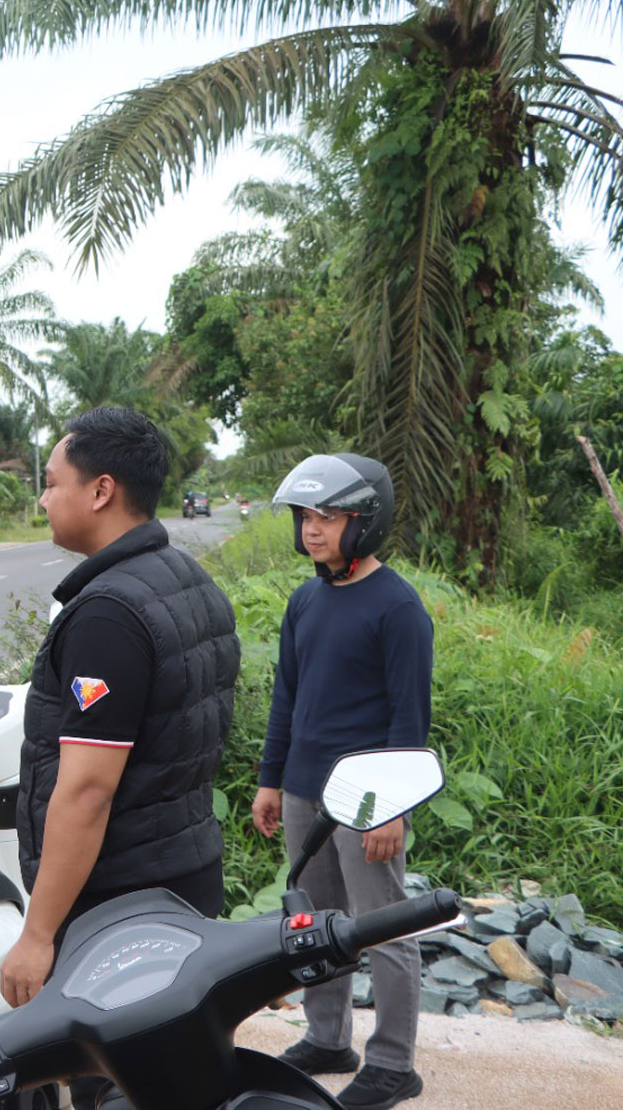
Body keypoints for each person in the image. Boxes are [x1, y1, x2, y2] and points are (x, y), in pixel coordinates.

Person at [0, 407, 239, 1110]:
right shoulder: (187, 579)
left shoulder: (107, 613)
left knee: (113, 1084)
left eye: (50, 483)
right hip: (185, 874)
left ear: (99, 490)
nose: (42, 499)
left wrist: (38, 935)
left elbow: (86, 794)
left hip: (119, 905)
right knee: (175, 1077)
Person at [252, 453, 432, 1110]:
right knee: (311, 921)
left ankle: (392, 1063)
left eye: (327, 517)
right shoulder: (305, 600)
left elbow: (409, 717)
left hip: (366, 796)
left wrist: (393, 807)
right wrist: (270, 780)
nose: (312, 530)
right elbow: (285, 699)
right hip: (303, 789)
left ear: (364, 521)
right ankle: (328, 1038)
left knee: (381, 929)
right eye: (305, 518)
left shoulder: (398, 608)